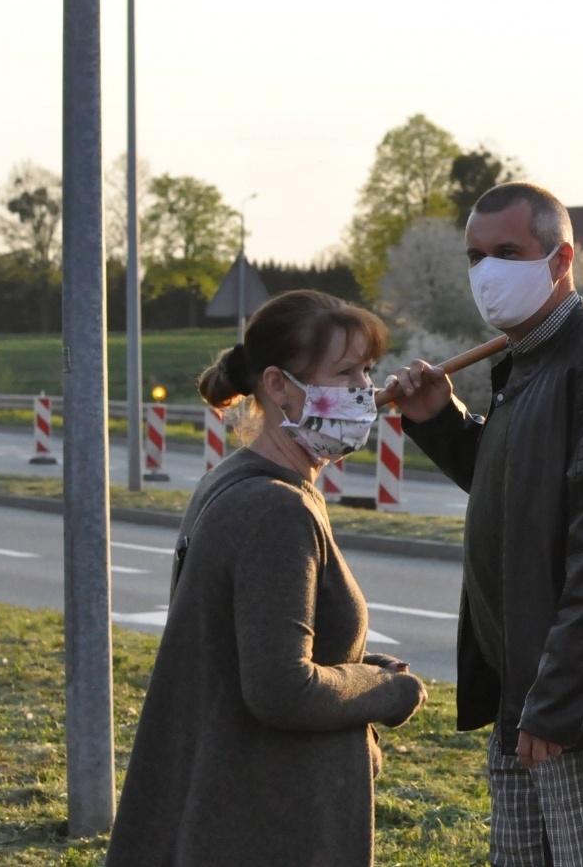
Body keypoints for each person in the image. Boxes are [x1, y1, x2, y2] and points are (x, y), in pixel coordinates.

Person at [387, 182, 583, 866]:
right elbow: (523, 494)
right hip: (526, 705)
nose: (488, 272)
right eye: (475, 256)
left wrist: (557, 703)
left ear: (561, 259)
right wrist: (439, 421)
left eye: (507, 251)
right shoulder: (528, 365)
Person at [107, 290, 428, 867]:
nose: (363, 391)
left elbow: (254, 646)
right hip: (267, 822)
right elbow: (283, 690)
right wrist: (388, 691)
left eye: (367, 371)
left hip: (232, 807)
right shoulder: (277, 509)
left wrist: (357, 671)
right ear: (278, 385)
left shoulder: (238, 478)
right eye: (344, 372)